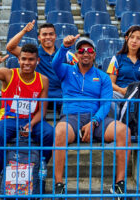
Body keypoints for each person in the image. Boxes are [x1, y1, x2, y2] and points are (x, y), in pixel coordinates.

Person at [51, 35, 131, 197]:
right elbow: (54, 64)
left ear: (94, 54)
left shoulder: (103, 77)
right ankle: (58, 184)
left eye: (89, 50)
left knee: (124, 131)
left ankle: (119, 185)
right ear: (77, 54)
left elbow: (105, 104)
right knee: (59, 132)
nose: (85, 53)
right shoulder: (66, 70)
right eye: (81, 50)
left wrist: (94, 121)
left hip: (97, 118)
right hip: (72, 117)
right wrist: (64, 47)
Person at [0, 44, 54, 195]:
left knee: (49, 132)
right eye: (23, 59)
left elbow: (42, 111)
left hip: (32, 119)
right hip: (10, 119)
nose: (27, 63)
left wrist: (32, 124)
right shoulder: (8, 74)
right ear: (18, 59)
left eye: (31, 59)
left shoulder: (43, 80)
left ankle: (41, 167)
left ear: (37, 61)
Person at [6, 20, 77, 109]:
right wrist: (24, 31)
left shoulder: (65, 54)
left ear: (55, 36)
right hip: (39, 96)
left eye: (51, 34)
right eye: (44, 34)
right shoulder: (32, 53)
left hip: (61, 96)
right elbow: (10, 47)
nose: (48, 37)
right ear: (39, 37)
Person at [106, 25, 140, 117]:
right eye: (131, 37)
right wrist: (121, 90)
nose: (134, 41)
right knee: (108, 95)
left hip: (138, 97)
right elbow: (110, 83)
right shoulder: (116, 59)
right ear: (126, 39)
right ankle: (121, 120)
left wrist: (135, 93)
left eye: (138, 38)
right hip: (120, 95)